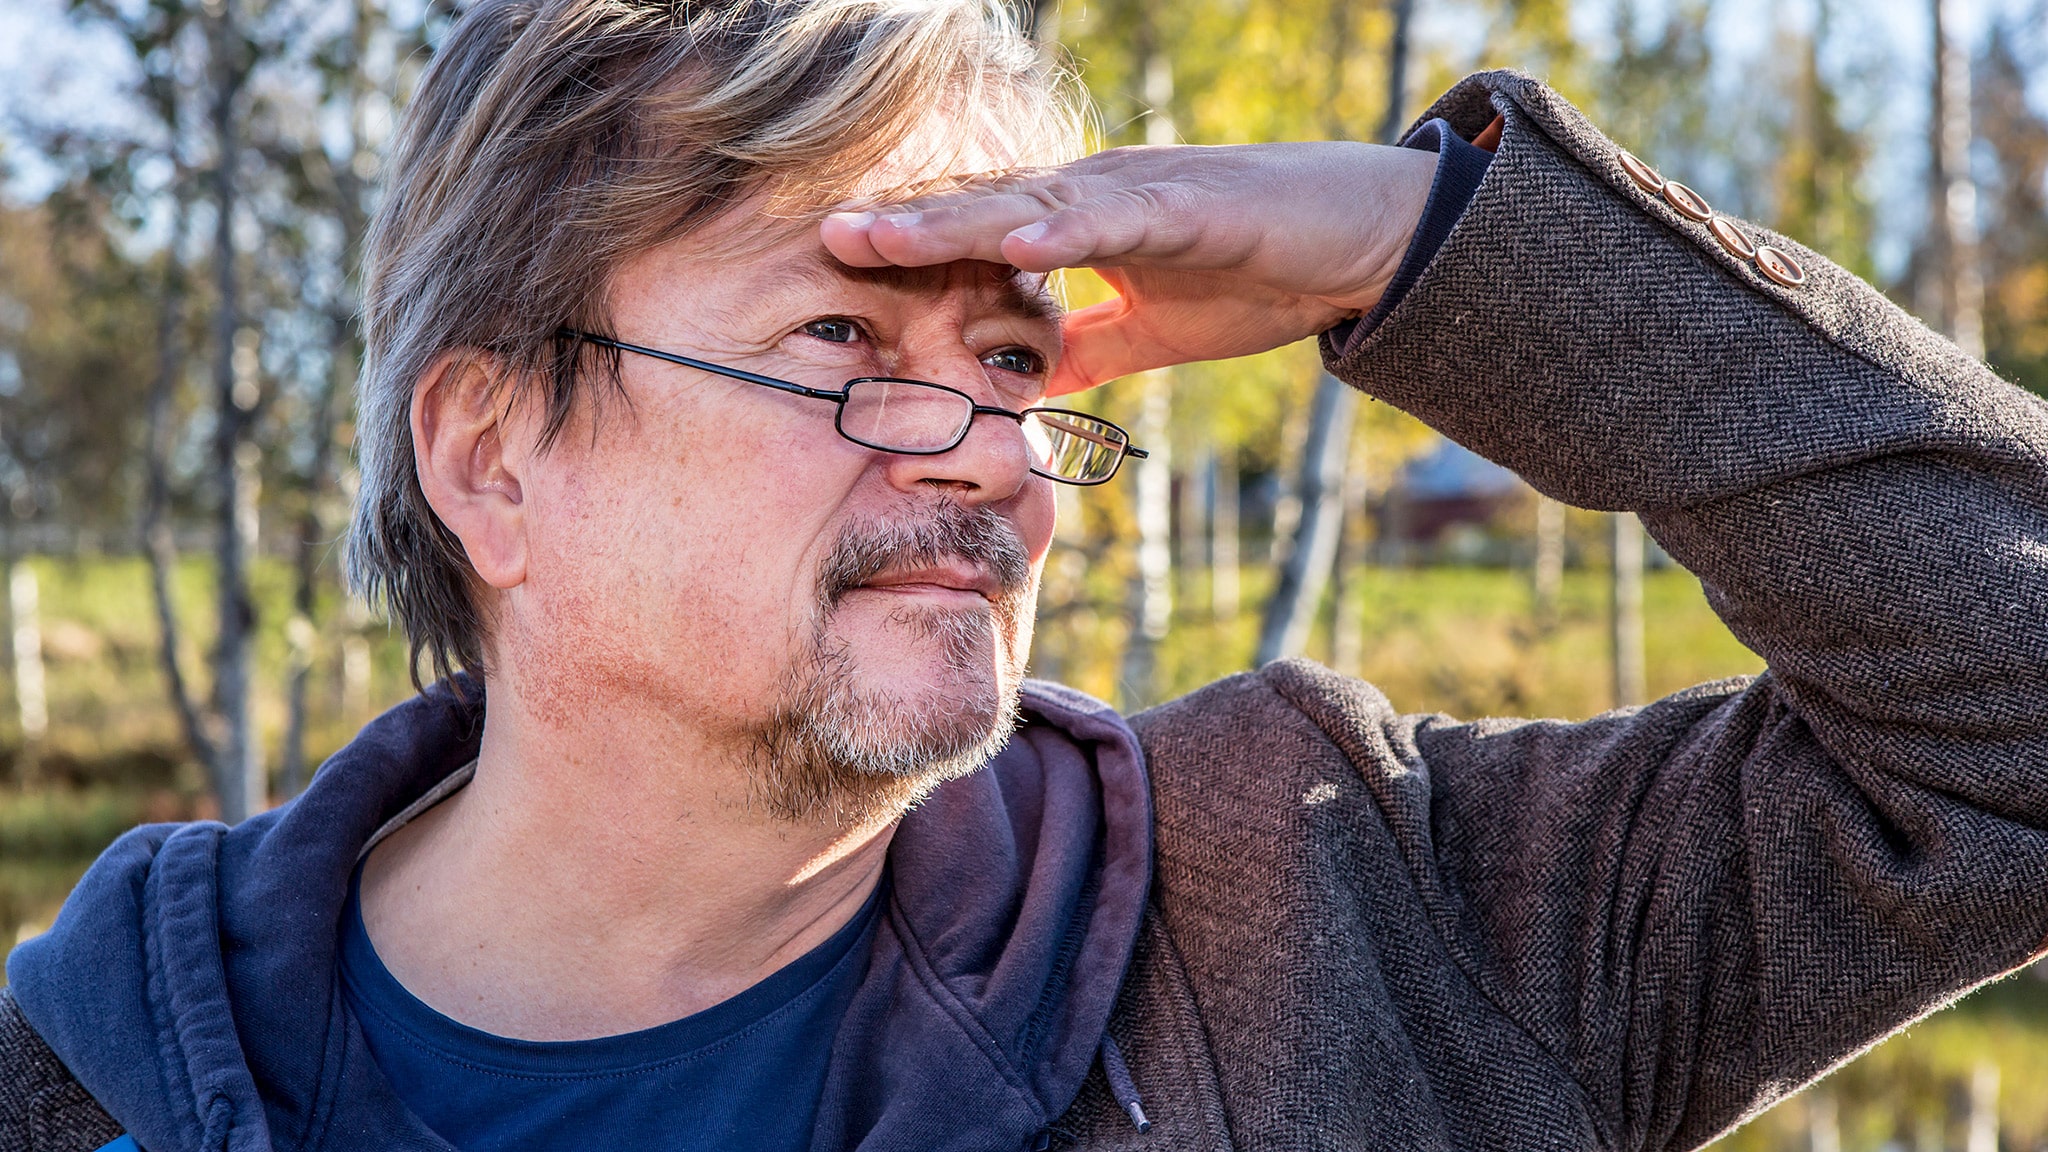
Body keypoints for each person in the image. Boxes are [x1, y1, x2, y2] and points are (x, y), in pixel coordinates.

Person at [6, 0, 2046, 1148]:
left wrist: (1427, 241)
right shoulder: (86, 1075)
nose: (993, 458)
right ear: (492, 453)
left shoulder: (1350, 902)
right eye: (844, 347)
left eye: (1009, 356)